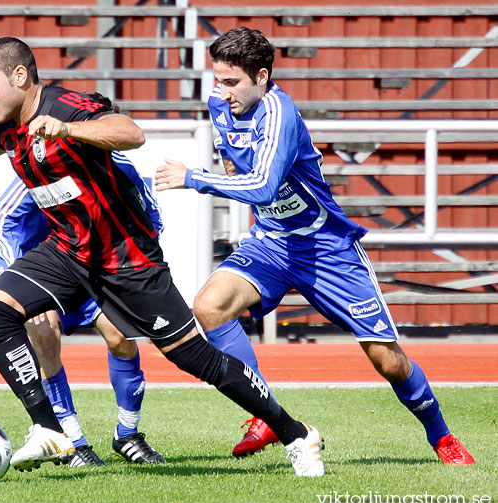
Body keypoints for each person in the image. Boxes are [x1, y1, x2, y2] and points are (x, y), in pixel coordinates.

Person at [0, 36, 324, 477]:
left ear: (19, 76)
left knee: (195, 359)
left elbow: (130, 132)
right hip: (67, 252)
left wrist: (70, 129)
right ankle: (49, 429)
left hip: (126, 260)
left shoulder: (64, 106)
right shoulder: (10, 123)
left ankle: (296, 434)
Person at [155, 26, 474, 466]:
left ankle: (441, 436)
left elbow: (265, 186)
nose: (221, 90)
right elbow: (235, 166)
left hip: (326, 250)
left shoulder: (280, 114)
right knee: (209, 307)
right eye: (218, 79)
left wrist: (193, 177)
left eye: (232, 82)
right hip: (271, 243)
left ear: (262, 76)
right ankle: (265, 414)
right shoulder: (219, 107)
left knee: (387, 361)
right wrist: (235, 188)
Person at [0, 107, 165, 466]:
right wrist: (16, 278)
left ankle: (127, 435)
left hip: (96, 269)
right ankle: (71, 441)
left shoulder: (123, 170)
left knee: (120, 335)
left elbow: (151, 220)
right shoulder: (46, 164)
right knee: (44, 331)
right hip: (48, 269)